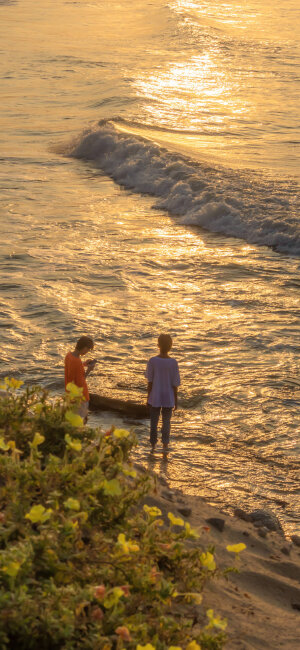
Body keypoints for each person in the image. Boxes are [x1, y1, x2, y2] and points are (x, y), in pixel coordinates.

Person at [145, 334, 180, 453]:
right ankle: (165, 446)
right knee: (166, 423)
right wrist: (176, 400)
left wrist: (148, 397)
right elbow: (175, 384)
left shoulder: (153, 361)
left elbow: (150, 381)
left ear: (158, 345)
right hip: (168, 397)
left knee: (153, 422)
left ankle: (153, 446)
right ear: (171, 346)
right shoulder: (173, 362)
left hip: (155, 396)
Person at [64, 336, 97, 422]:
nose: (87, 352)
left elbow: (73, 371)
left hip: (70, 395)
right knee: (81, 422)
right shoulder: (77, 361)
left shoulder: (69, 355)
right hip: (80, 397)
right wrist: (89, 370)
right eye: (88, 349)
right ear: (84, 347)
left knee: (71, 420)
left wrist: (84, 364)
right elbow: (80, 382)